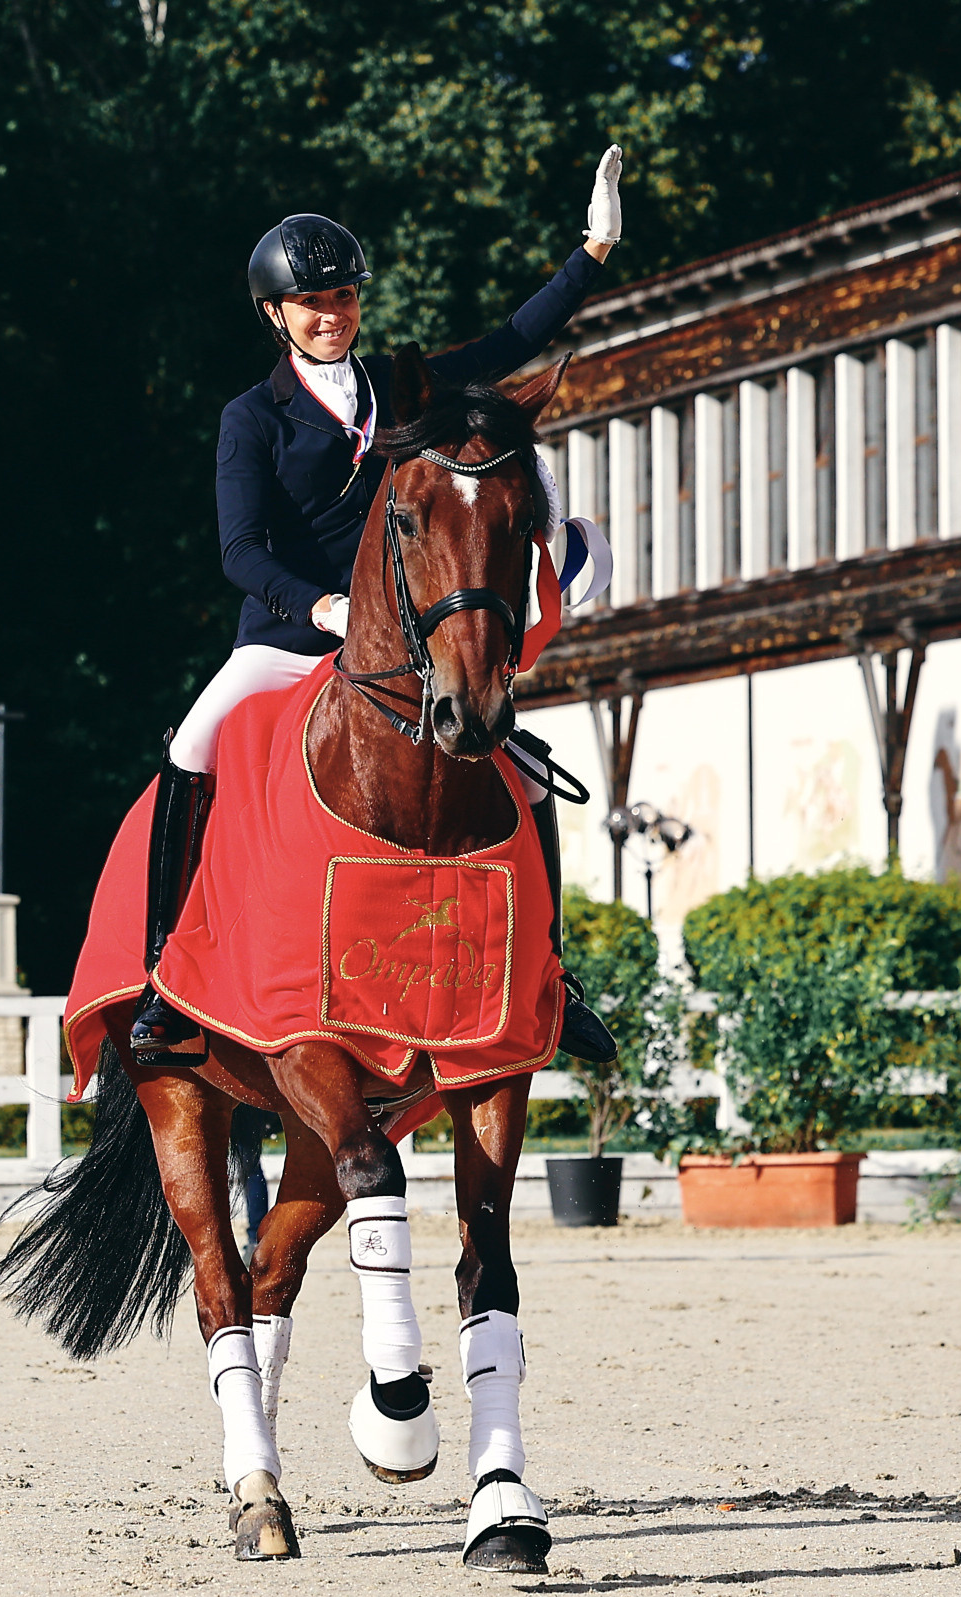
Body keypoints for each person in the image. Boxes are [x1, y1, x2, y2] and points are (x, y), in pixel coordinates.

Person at [127, 148, 628, 1068]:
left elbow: (515, 341)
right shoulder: (254, 417)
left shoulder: (406, 391)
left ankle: (557, 976)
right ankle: (165, 980)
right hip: (288, 636)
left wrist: (591, 252)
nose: (334, 316)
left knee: (520, 767)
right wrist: (314, 605)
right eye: (315, 305)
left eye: (346, 298)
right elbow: (239, 551)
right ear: (277, 315)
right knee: (188, 749)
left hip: (404, 642)